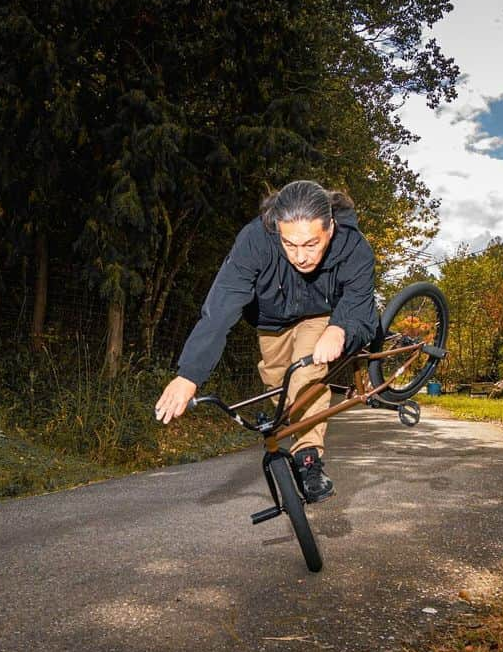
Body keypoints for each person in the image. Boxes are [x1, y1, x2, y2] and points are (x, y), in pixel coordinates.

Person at [154, 180, 379, 502]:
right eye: (290, 245)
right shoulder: (254, 241)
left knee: (305, 375)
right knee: (279, 383)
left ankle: (309, 458)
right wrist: (189, 374)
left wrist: (339, 328)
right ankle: (297, 425)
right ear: (277, 231)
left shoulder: (353, 246)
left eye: (311, 244)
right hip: (271, 322)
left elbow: (358, 300)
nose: (301, 257)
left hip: (322, 316)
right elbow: (220, 308)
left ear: (330, 228)